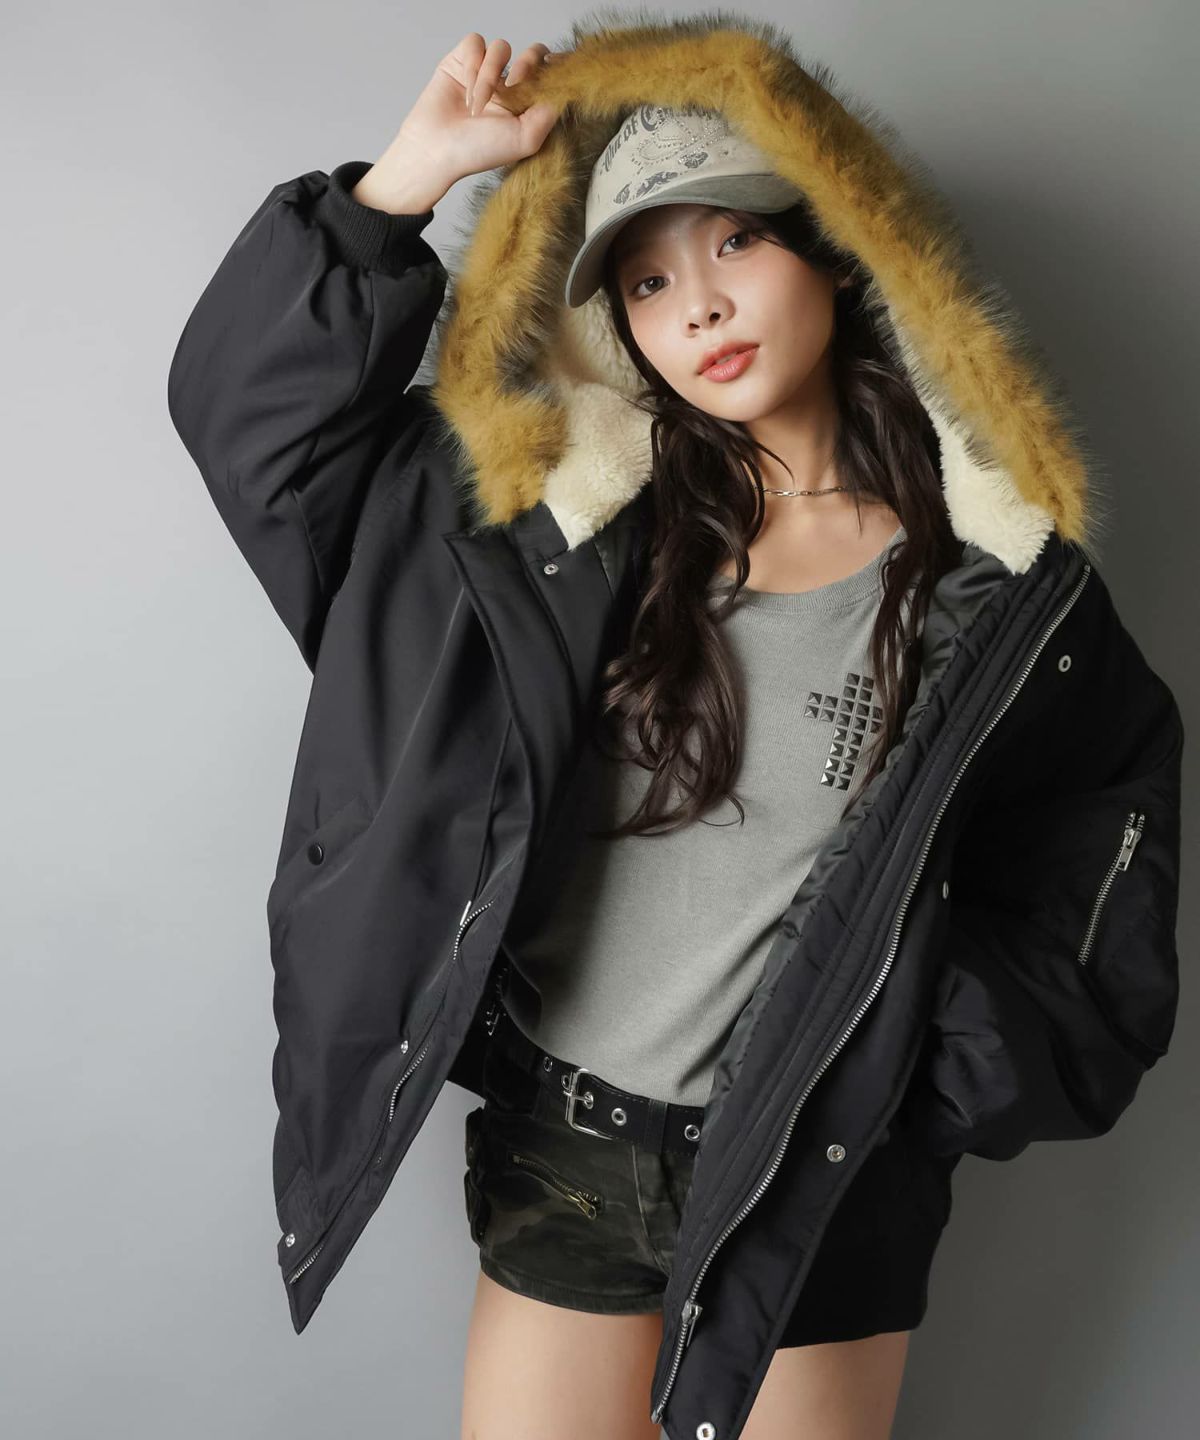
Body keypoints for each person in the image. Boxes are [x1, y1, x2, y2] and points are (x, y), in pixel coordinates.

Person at [166, 18, 1185, 1440]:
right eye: (646, 282)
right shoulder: (558, 546)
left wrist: (912, 1065)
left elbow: (1099, 871)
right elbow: (255, 430)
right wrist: (402, 185)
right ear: (619, 330)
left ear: (836, 250)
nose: (698, 306)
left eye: (735, 244)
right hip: (567, 1157)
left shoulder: (993, 591)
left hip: (815, 1183)